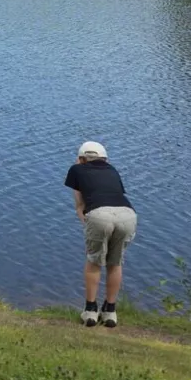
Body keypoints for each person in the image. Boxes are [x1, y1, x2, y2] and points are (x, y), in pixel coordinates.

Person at [65, 140, 137, 328]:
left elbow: (80, 205)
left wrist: (87, 223)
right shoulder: (112, 170)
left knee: (94, 262)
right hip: (127, 214)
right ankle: (110, 312)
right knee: (115, 262)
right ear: (105, 159)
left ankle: (90, 311)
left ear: (81, 159)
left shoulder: (76, 169)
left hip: (99, 214)